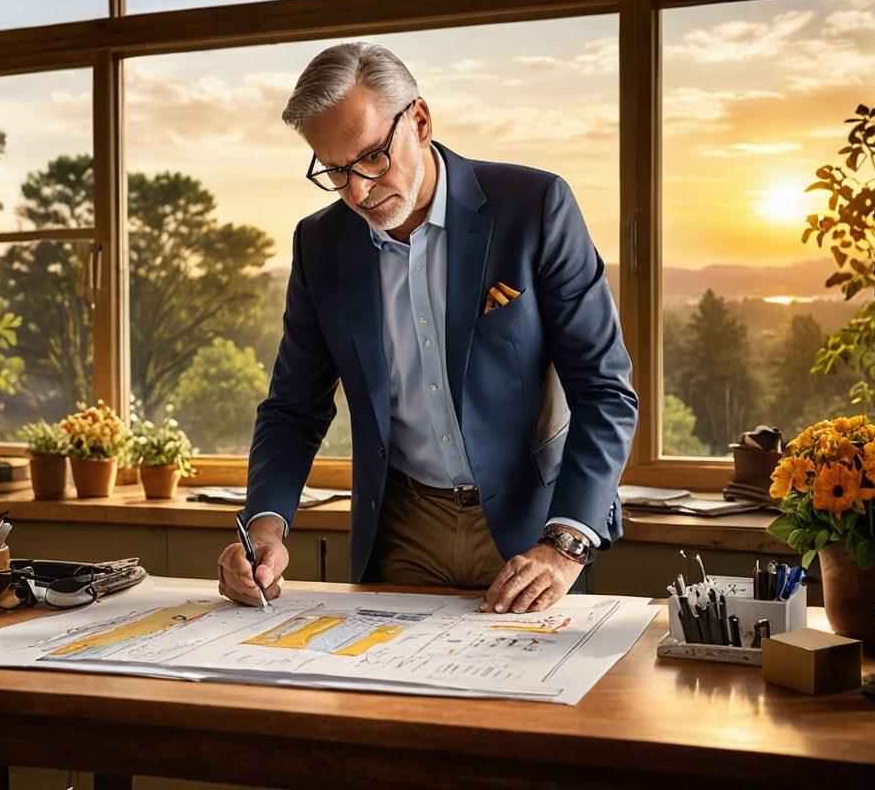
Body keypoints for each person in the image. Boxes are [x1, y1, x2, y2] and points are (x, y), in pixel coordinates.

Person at [217, 41, 637, 615]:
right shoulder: (320, 245)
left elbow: (605, 391)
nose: (358, 191)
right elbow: (294, 407)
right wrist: (264, 527)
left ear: (419, 119)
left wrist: (565, 545)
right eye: (336, 172)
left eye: (370, 158)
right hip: (400, 527)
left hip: (530, 528)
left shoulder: (534, 206)